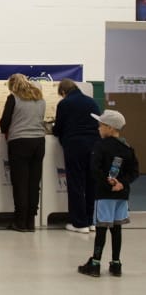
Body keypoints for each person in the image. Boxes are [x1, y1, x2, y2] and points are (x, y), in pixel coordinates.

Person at [78, 110, 139, 277]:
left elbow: (95, 169)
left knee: (101, 229)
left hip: (104, 195)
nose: (99, 128)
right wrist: (121, 183)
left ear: (110, 128)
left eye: (101, 125)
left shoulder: (100, 146)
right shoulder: (127, 148)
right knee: (117, 228)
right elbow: (134, 171)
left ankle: (95, 263)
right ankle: (116, 264)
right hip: (121, 195)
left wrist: (107, 182)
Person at [0, 74, 46, 232]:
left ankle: (20, 222)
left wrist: (6, 129)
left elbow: (4, 122)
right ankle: (31, 222)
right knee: (34, 183)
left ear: (13, 86)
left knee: (20, 183)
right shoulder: (40, 98)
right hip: (39, 142)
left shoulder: (13, 98)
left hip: (19, 142)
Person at [52, 78, 100, 234]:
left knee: (76, 183)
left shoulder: (65, 104)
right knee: (91, 183)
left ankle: (79, 223)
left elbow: (58, 128)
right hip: (94, 145)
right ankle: (91, 221)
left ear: (64, 92)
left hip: (75, 145)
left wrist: (54, 129)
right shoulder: (92, 102)